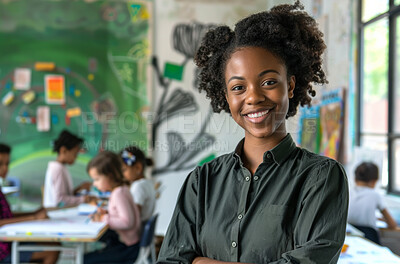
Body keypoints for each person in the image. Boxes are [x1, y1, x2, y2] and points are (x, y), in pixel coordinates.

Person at [157, 1, 349, 263]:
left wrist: (200, 261)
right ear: (226, 96)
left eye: (268, 82)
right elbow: (170, 260)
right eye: (238, 88)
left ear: (290, 86)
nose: (254, 97)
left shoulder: (321, 178)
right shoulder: (202, 181)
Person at [0, 143, 59, 264]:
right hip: (3, 250)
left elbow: (7, 216)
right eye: (0, 164)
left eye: (7, 164)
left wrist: (33, 213)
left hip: (8, 242)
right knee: (52, 251)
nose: (5, 168)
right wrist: (33, 217)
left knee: (54, 244)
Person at [84, 151, 141, 264]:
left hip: (129, 249)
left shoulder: (118, 194)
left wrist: (103, 218)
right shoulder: (121, 189)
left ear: (110, 176)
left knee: (84, 260)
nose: (94, 184)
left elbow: (127, 222)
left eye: (97, 179)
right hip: (129, 245)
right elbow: (120, 214)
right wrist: (106, 213)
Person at [347, 162, 397, 243]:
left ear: (355, 178)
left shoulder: (347, 192)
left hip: (349, 236)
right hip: (369, 237)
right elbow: (392, 224)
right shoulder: (375, 195)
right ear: (374, 181)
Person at [43, 129, 93, 208]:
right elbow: (60, 200)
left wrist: (79, 188)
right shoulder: (57, 169)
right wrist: (84, 199)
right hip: (55, 213)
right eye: (75, 154)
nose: (76, 157)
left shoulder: (61, 167)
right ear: (64, 150)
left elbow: (65, 195)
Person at [121, 146, 156, 222]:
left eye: (124, 170)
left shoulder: (138, 186)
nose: (122, 174)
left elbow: (133, 215)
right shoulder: (147, 183)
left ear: (138, 167)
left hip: (136, 231)